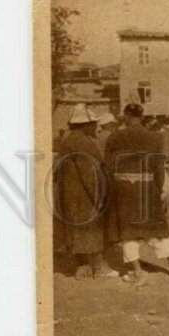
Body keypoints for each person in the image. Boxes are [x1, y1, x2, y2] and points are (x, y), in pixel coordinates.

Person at [105, 103, 169, 284]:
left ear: (125, 116)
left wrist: (113, 188)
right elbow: (158, 167)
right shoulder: (155, 137)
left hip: (123, 187)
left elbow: (108, 166)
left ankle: (138, 272)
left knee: (127, 230)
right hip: (147, 185)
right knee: (156, 226)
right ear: (142, 116)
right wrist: (157, 189)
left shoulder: (114, 137)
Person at [55, 104, 118, 280]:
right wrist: (101, 196)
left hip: (71, 194)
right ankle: (99, 268)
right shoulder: (81, 142)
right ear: (85, 124)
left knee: (77, 231)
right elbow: (90, 174)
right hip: (83, 195)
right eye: (94, 124)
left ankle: (82, 268)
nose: (96, 127)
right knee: (91, 229)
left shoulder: (69, 139)